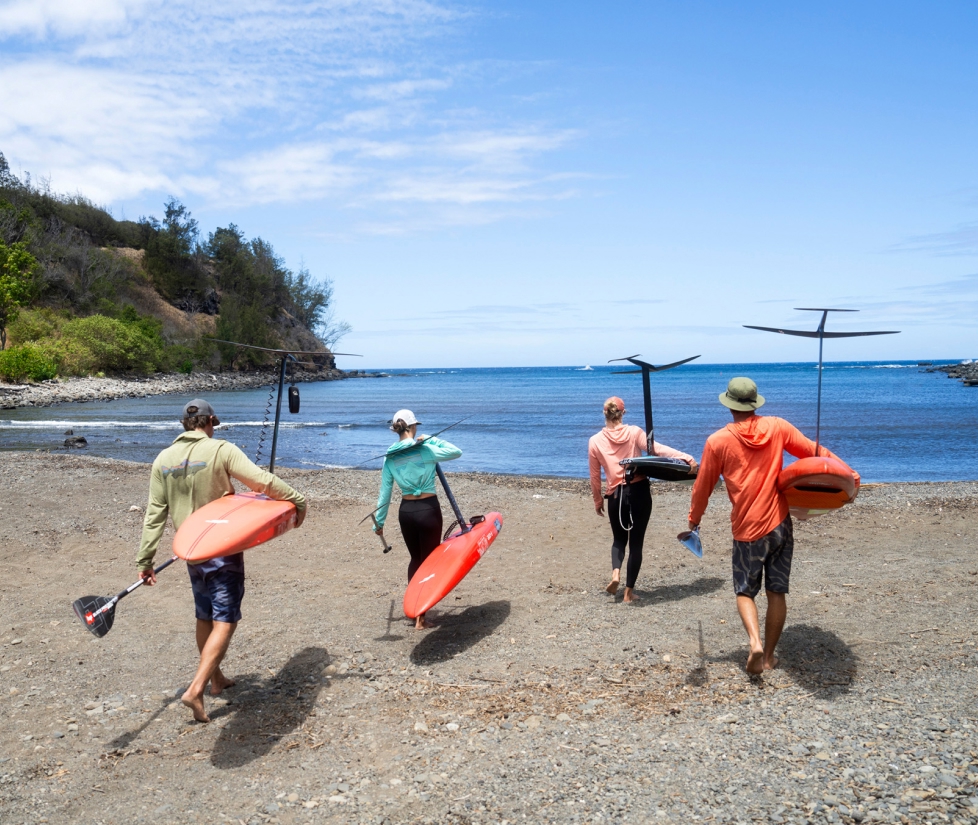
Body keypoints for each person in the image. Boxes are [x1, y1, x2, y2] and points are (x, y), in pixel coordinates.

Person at [136, 399, 307, 722]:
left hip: (189, 549)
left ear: (184, 425)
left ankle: (216, 679)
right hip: (221, 548)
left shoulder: (163, 459)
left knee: (204, 615)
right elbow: (261, 481)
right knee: (225, 619)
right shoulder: (220, 449)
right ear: (211, 420)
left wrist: (145, 559)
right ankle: (196, 688)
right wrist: (297, 501)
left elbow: (154, 514)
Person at [687, 377, 854, 674]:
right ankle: (769, 657)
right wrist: (847, 475)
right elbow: (814, 452)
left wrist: (694, 519)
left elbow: (703, 487)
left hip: (747, 529)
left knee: (744, 591)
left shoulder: (717, 441)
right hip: (779, 524)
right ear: (754, 403)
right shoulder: (777, 426)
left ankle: (755, 644)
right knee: (776, 592)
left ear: (728, 404)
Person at [589, 396, 697, 603]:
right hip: (638, 490)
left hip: (615, 496)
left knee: (619, 540)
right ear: (623, 413)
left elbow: (595, 476)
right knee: (636, 543)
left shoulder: (594, 441)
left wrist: (597, 501)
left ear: (605, 414)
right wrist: (687, 458)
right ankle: (628, 593)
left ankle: (615, 574)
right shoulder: (634, 432)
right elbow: (657, 450)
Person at [373, 409, 462, 629]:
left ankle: (416, 610)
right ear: (413, 427)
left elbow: (385, 492)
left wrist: (379, 522)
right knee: (430, 562)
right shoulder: (426, 448)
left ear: (396, 430)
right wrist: (433, 440)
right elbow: (455, 451)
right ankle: (421, 615)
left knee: (415, 559)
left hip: (407, 513)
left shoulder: (390, 456)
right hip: (428, 509)